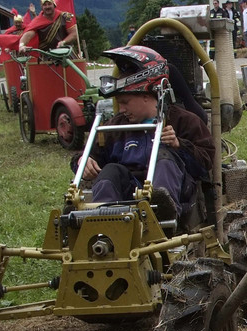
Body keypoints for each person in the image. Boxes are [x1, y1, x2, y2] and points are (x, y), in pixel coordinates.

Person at [73, 46, 214, 223]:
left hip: (177, 196)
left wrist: (179, 145)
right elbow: (88, 155)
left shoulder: (184, 121)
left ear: (146, 95)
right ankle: (104, 221)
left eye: (125, 102)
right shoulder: (116, 127)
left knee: (164, 157)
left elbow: (206, 164)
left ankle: (161, 215)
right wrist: (83, 162)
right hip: (128, 196)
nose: (121, 109)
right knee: (111, 170)